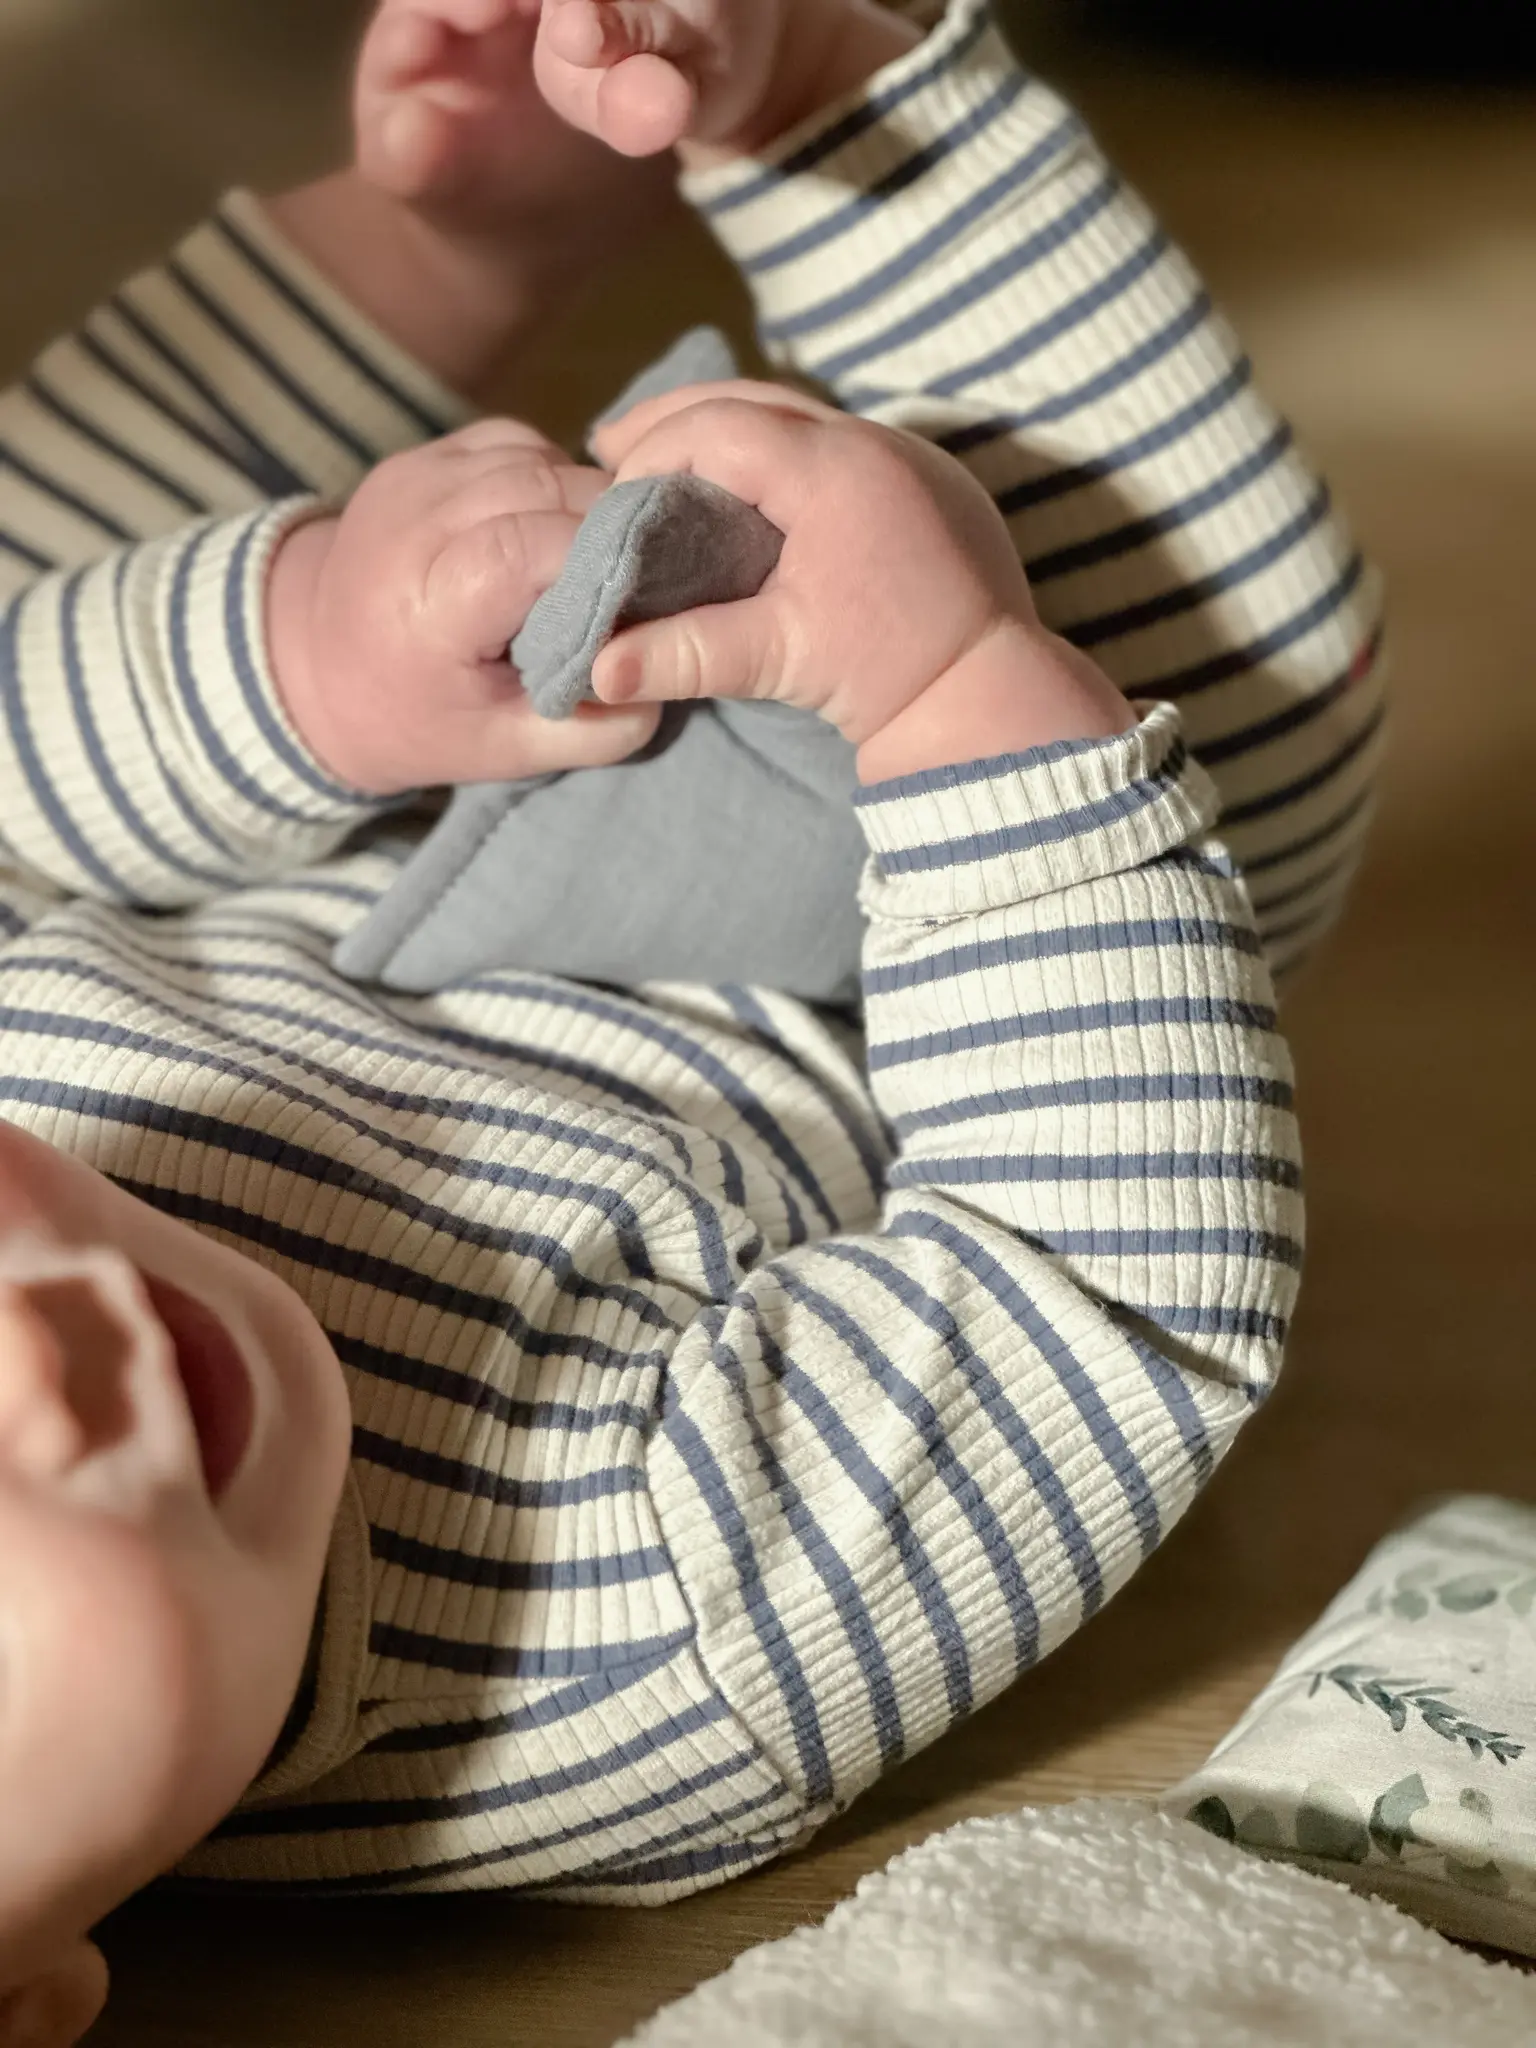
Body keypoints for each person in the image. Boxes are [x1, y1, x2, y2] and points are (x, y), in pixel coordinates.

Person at [0, 0, 1333, 2038]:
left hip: (338, 790)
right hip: (913, 942)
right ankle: (841, 113)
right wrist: (959, 690)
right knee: (1250, 694)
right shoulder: (645, 1659)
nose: (29, 1375)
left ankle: (440, 238)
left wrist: (296, 666)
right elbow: (1091, 1294)